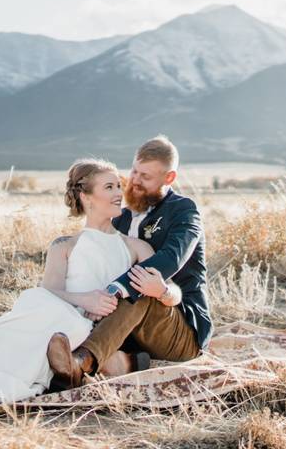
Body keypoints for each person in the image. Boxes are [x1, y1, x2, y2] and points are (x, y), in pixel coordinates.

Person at [0, 158, 177, 407]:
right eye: (109, 187)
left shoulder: (136, 247)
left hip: (98, 331)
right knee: (39, 303)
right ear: (86, 197)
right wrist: (85, 299)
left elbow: (165, 289)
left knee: (53, 317)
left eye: (119, 186)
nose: (119, 194)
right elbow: (51, 291)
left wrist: (163, 293)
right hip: (63, 315)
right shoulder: (65, 245)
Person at [47, 135, 213, 388]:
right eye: (134, 171)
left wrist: (112, 291)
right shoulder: (121, 216)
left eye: (145, 176)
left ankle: (82, 362)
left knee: (141, 285)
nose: (134, 180)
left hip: (179, 327)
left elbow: (171, 259)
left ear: (169, 178)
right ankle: (126, 362)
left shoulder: (183, 211)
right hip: (127, 327)